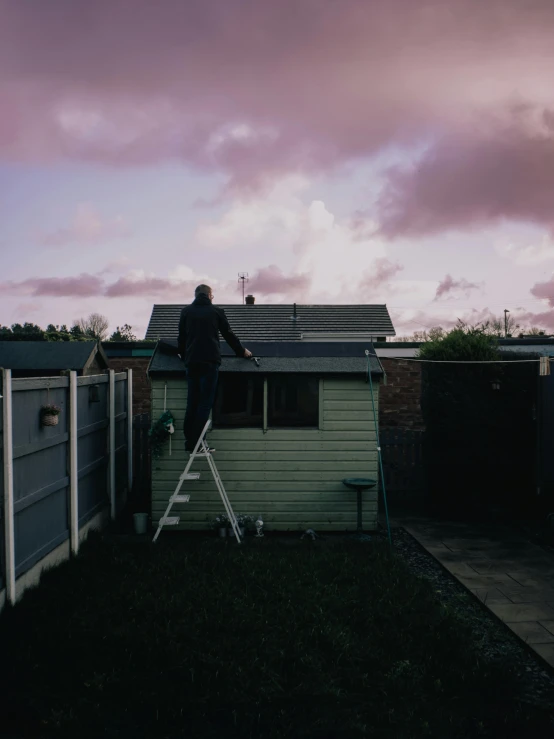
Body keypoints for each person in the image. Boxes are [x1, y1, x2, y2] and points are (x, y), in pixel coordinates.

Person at [178, 284, 252, 452]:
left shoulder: (186, 312)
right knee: (205, 404)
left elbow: (181, 338)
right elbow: (228, 334)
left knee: (192, 403)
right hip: (210, 362)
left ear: (195, 295)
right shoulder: (216, 312)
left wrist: (183, 355)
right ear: (210, 295)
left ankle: (190, 443)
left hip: (192, 362)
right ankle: (199, 444)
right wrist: (242, 351)